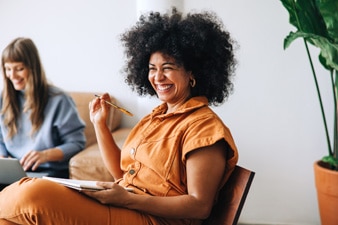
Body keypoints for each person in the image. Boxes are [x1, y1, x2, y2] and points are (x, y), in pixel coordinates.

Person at [0, 8, 239, 225]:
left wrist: (128, 200)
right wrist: (100, 124)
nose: (157, 77)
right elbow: (120, 174)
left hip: (155, 219)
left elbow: (200, 206)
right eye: (152, 68)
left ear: (193, 73)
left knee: (32, 195)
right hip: (127, 205)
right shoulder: (155, 117)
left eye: (167, 67)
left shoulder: (205, 128)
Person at [0, 37, 86, 179]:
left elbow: (76, 143)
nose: (12, 76)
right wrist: (3, 159)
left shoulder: (59, 100)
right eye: (8, 69)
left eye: (19, 69)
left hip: (48, 174)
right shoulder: (3, 99)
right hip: (14, 174)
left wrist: (45, 155)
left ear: (32, 68)